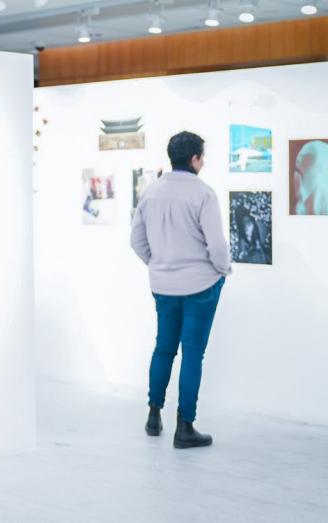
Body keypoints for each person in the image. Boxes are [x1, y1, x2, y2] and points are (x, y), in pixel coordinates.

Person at [130, 131, 231, 449]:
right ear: (195, 159)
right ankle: (185, 426)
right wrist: (222, 269)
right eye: (203, 156)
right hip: (200, 283)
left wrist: (158, 263)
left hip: (163, 284)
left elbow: (136, 240)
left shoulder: (151, 192)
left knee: (163, 349)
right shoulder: (204, 194)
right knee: (192, 354)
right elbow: (217, 245)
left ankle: (153, 416)